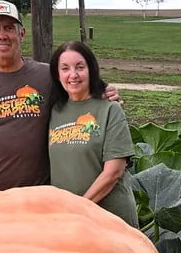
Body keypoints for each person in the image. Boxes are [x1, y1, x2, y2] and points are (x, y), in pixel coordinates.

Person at [0, 0, 121, 191]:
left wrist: (105, 93)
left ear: (21, 34)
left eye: (9, 28)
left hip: (36, 195)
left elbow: (81, 90)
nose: (2, 35)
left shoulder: (47, 75)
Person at [47, 41, 138, 227]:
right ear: (57, 74)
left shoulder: (110, 109)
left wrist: (80, 208)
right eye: (65, 68)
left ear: (91, 69)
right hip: (68, 219)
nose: (73, 75)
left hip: (110, 217)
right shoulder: (54, 111)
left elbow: (113, 172)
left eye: (80, 67)